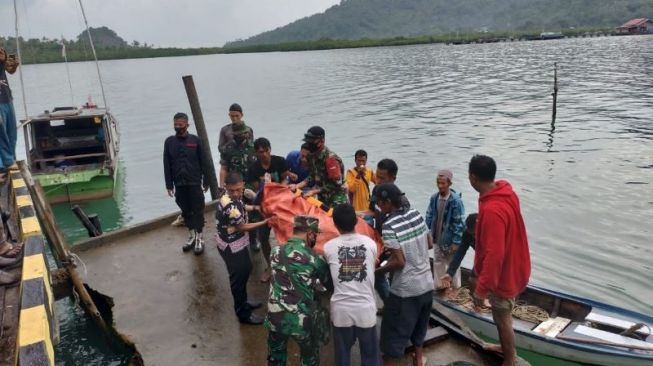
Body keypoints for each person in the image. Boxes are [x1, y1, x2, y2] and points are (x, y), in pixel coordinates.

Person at [468, 155, 531, 366]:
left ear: (473, 178)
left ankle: (510, 359)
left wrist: (481, 290)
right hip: (518, 266)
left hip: (505, 274)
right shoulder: (506, 192)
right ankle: (505, 347)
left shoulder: (493, 210)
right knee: (503, 315)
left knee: (502, 318)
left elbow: (495, 255)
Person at [374, 183, 433, 366]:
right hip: (427, 284)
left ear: (386, 202)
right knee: (419, 328)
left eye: (379, 202)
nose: (377, 206)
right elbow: (430, 243)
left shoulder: (389, 225)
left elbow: (399, 262)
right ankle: (418, 360)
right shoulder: (415, 213)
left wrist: (377, 271)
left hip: (405, 291)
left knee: (392, 339)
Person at [265, 215, 329, 366]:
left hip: (275, 317)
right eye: (315, 235)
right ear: (310, 233)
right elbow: (325, 282)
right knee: (309, 358)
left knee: (276, 357)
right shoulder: (315, 258)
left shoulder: (275, 251)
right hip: (302, 321)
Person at [323, 204, 380, 366]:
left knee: (342, 358)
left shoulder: (328, 247)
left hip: (341, 311)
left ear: (334, 224)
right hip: (366, 310)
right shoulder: (370, 244)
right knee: (370, 357)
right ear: (356, 221)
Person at [216, 171, 273, 325]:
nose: (235, 194)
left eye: (239, 190)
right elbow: (242, 226)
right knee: (238, 280)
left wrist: (254, 208)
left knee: (246, 268)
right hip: (231, 246)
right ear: (226, 187)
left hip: (236, 243)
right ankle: (243, 314)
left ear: (243, 186)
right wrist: (265, 221)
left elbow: (241, 205)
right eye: (232, 190)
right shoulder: (229, 206)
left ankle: (244, 302)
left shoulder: (231, 198)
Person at [247, 137, 293, 282]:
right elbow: (257, 189)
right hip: (265, 206)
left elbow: (286, 179)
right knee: (263, 237)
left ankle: (291, 264)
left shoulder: (280, 161)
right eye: (260, 152)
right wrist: (266, 186)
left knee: (288, 235)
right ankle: (269, 266)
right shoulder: (253, 168)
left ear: (270, 149)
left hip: (281, 204)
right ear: (256, 153)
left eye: (266, 151)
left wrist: (280, 187)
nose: (264, 154)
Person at [163, 112, 209, 255]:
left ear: (187, 124)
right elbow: (167, 164)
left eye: (181, 124)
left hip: (194, 183)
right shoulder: (169, 142)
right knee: (185, 211)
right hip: (179, 184)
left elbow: (204, 162)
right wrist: (169, 185)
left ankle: (200, 237)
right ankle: (192, 235)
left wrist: (206, 181)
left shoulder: (195, 141)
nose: (178, 126)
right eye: (175, 124)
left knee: (198, 211)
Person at [220, 121, 259, 250]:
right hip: (234, 188)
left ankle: (253, 240)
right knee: (236, 213)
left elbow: (260, 167)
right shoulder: (228, 149)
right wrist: (222, 186)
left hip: (251, 186)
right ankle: (238, 240)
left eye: (243, 134)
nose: (240, 136)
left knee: (253, 214)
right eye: (237, 134)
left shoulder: (254, 147)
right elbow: (224, 168)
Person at [425, 169, 465, 290]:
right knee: (438, 262)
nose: (440, 186)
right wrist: (427, 235)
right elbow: (429, 216)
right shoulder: (434, 198)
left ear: (449, 184)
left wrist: (456, 242)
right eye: (438, 183)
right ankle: (439, 286)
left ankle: (455, 287)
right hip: (437, 238)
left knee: (453, 264)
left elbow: (459, 223)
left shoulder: (456, 201)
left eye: (443, 183)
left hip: (449, 240)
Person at [290, 126, 347, 207]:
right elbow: (312, 176)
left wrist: (314, 191)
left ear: (322, 141)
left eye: (312, 142)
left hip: (336, 199)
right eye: (308, 142)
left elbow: (336, 184)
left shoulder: (331, 159)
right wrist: (297, 186)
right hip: (322, 199)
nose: (310, 144)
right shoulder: (312, 155)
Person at [440, 213, 478, 289]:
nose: (474, 237)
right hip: (480, 256)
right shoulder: (467, 234)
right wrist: (450, 273)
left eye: (475, 234)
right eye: (472, 234)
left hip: (495, 256)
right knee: (472, 280)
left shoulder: (489, 234)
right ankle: (478, 299)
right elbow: (460, 253)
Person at [0, 48, 19, 181]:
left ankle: (11, 160)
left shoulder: (2, 51)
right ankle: (5, 163)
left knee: (11, 132)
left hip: (7, 97)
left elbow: (9, 70)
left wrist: (14, 65)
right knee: (1, 134)